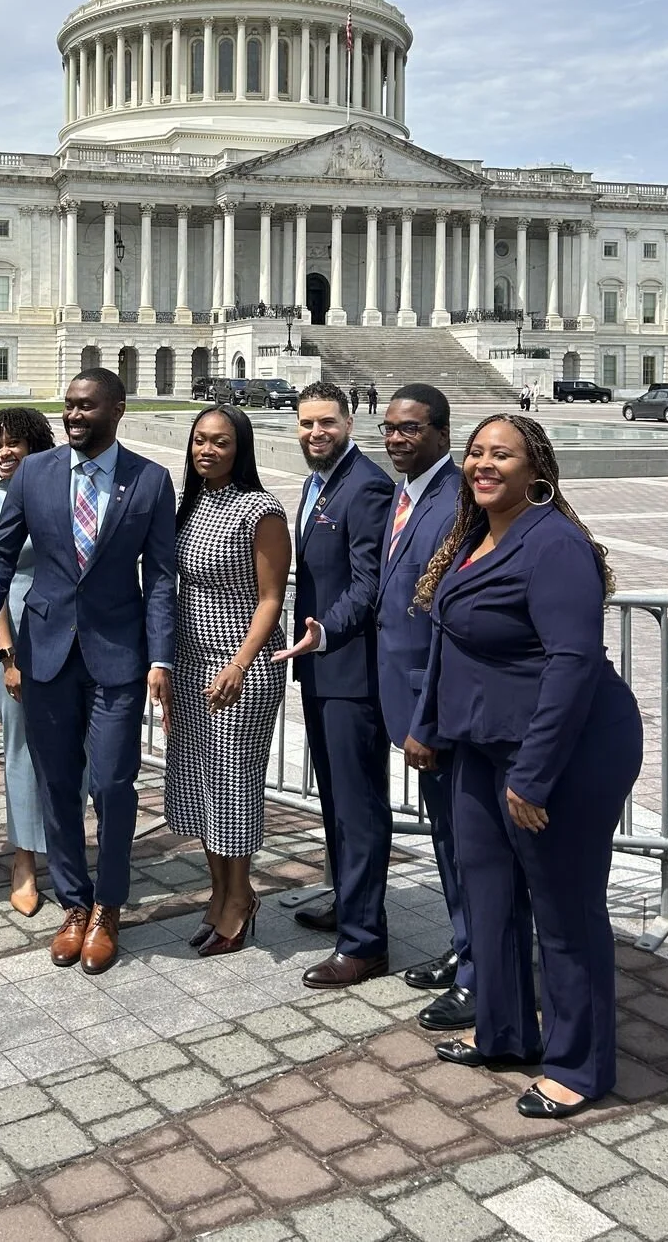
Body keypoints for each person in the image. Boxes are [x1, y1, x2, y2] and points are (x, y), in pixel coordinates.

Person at [408, 414, 643, 1118]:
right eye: (476, 452)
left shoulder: (554, 545)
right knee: (488, 893)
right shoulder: (477, 537)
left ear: (534, 468)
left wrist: (534, 775)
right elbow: (449, 641)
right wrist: (427, 726)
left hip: (561, 749)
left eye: (500, 454)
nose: (483, 464)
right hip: (481, 746)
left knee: (565, 910)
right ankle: (506, 1030)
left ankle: (580, 1063)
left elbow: (571, 664)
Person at [0, 370, 176, 976]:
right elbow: (2, 550)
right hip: (46, 652)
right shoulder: (35, 473)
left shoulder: (150, 479)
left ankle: (109, 905)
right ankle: (73, 905)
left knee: (113, 783)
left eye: (86, 406)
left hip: (117, 655)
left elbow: (162, 577)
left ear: (117, 409)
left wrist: (160, 656)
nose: (74, 415)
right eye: (68, 406)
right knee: (55, 782)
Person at [274, 382, 394, 988]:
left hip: (350, 669)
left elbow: (369, 582)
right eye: (305, 423)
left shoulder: (366, 485)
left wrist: (327, 633)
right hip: (321, 666)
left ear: (350, 422)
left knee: (359, 807)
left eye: (326, 422)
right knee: (335, 803)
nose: (315, 433)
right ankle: (350, 906)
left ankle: (366, 941)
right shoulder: (316, 482)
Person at [165, 406, 291, 955]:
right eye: (199, 441)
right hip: (192, 665)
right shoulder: (190, 503)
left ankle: (240, 898)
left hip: (241, 667)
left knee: (234, 789)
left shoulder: (259, 510)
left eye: (220, 442)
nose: (207, 451)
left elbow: (271, 598)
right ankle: (218, 893)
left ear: (240, 448)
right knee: (203, 788)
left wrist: (238, 664)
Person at [374, 385, 473, 1031]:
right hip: (408, 697)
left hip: (437, 708)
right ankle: (467, 945)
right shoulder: (407, 495)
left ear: (440, 432)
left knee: (468, 843)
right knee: (446, 837)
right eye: (388, 428)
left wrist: (428, 718)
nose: (395, 439)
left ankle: (480, 972)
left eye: (409, 429)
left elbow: (449, 622)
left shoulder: (456, 500)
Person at [0, 406, 58, 917]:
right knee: (23, 747)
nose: (6, 453)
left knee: (77, 746)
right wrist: (7, 653)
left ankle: (65, 852)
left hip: (70, 635)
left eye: (16, 442)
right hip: (13, 638)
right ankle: (23, 861)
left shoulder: (60, 488)